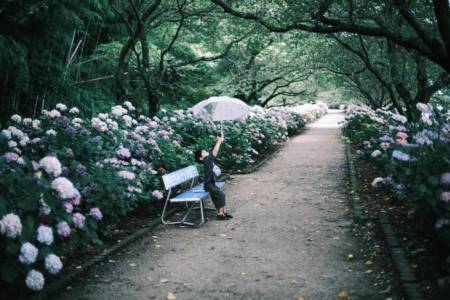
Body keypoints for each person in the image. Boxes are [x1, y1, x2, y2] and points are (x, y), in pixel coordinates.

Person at [195, 136, 233, 220]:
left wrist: (218, 142)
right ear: (201, 158)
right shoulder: (206, 161)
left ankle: (223, 213)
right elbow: (215, 152)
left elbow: (213, 152)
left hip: (211, 183)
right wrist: (219, 141)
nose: (206, 152)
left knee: (218, 195)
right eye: (203, 152)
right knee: (221, 195)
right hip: (208, 185)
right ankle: (221, 213)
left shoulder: (208, 160)